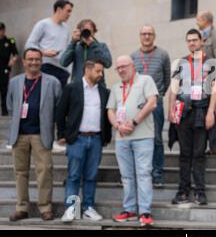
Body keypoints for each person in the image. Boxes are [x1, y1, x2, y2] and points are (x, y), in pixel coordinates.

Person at [7, 48, 61, 222]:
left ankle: (45, 207)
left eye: (37, 59)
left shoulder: (52, 82)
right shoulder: (15, 82)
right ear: (23, 61)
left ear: (41, 60)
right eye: (30, 59)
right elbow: (10, 105)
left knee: (45, 171)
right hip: (19, 134)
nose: (33, 62)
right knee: (20, 172)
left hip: (41, 134)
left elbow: (58, 106)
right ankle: (22, 208)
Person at [56, 59, 112, 223]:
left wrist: (106, 137)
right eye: (98, 71)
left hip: (95, 139)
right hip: (77, 139)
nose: (101, 74)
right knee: (74, 175)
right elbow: (61, 112)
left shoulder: (104, 92)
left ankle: (88, 207)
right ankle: (71, 208)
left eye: (102, 71)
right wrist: (62, 134)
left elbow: (106, 117)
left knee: (91, 175)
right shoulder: (72, 88)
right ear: (87, 70)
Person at [168, 29, 216, 206]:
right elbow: (174, 88)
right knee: (184, 154)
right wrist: (170, 111)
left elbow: (215, 89)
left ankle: (200, 192)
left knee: (198, 154)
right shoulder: (181, 63)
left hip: (202, 111)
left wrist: (211, 111)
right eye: (188, 40)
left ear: (201, 41)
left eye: (194, 40)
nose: (191, 43)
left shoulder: (210, 62)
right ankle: (183, 191)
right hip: (183, 112)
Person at [107, 55, 159, 227]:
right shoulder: (116, 87)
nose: (121, 70)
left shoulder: (145, 80)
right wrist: (118, 126)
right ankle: (129, 209)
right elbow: (110, 110)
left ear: (133, 66)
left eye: (124, 66)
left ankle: (145, 212)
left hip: (143, 137)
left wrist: (134, 121)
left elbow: (152, 103)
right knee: (127, 176)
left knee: (143, 174)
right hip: (122, 139)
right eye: (118, 68)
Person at [131, 25, 171, 188]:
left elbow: (167, 78)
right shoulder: (132, 56)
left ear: (154, 36)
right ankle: (138, 173)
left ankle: (157, 174)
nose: (146, 36)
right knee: (137, 138)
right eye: (144, 34)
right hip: (137, 105)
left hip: (156, 104)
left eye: (149, 34)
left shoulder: (163, 55)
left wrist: (158, 95)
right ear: (140, 36)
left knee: (157, 139)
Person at [25, 0, 73, 87]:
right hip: (46, 68)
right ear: (59, 9)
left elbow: (67, 49)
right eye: (68, 11)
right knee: (46, 98)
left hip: (63, 71)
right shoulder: (43, 24)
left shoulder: (67, 28)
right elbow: (29, 45)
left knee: (60, 100)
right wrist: (44, 53)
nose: (69, 14)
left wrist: (68, 71)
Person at [196, 11, 216, 155]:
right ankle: (213, 145)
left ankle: (215, 146)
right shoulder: (201, 36)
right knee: (207, 111)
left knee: (210, 110)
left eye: (198, 19)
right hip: (199, 79)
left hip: (211, 79)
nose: (196, 22)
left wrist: (215, 78)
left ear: (205, 20)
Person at [60, 19, 112, 86]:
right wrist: (73, 42)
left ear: (94, 32)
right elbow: (63, 63)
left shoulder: (101, 46)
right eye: (84, 31)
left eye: (89, 31)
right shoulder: (75, 47)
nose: (87, 34)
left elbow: (108, 63)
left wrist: (93, 44)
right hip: (78, 88)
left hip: (97, 87)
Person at [0, 22, 18, 116]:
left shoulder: (10, 41)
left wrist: (13, 60)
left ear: (4, 30)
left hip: (4, 68)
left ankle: (4, 109)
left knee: (4, 88)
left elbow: (15, 53)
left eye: (1, 30)